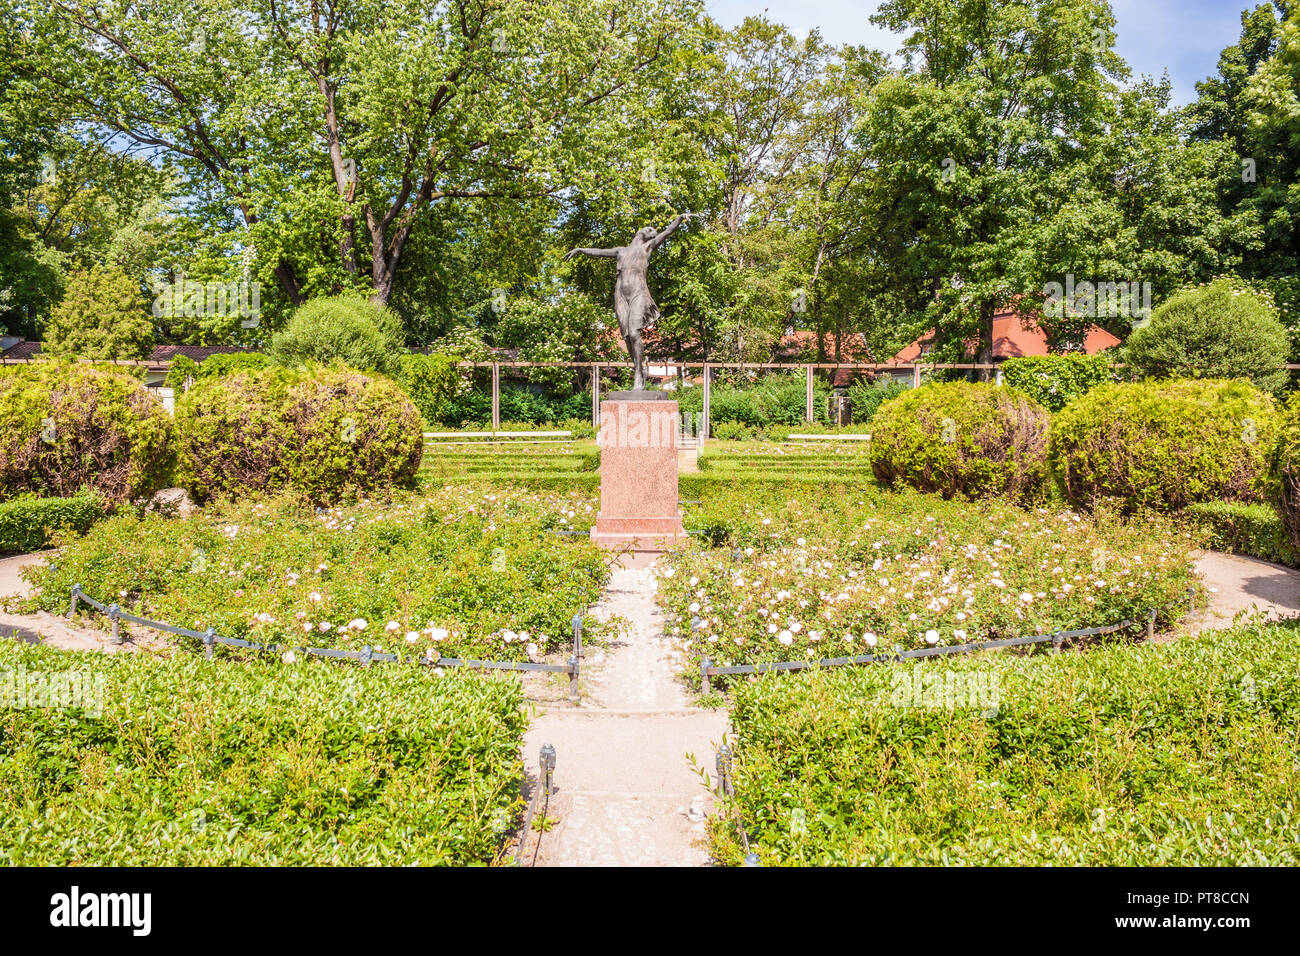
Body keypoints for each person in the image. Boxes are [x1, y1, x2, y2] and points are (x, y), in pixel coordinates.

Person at [565, 213, 696, 391]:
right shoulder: (621, 251)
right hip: (620, 295)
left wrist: (680, 218)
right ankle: (638, 367)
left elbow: (667, 231)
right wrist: (580, 249)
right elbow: (599, 252)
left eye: (653, 231)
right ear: (639, 231)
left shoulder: (648, 247)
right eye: (649, 228)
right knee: (626, 336)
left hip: (638, 293)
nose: (651, 230)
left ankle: (637, 374)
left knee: (635, 333)